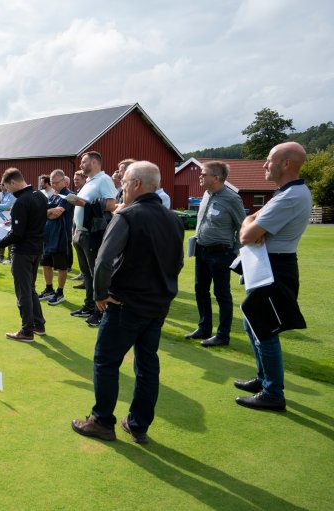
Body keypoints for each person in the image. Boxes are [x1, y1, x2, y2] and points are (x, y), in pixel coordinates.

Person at [71, 161, 184, 444]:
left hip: (125, 303)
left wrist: (99, 294)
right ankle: (138, 424)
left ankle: (101, 421)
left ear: (135, 184)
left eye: (124, 183)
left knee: (106, 361)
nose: (121, 188)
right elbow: (178, 262)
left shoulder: (128, 216)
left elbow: (104, 260)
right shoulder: (173, 218)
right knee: (147, 364)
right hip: (158, 304)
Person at [234, 142, 312, 412]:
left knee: (265, 329)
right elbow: (252, 221)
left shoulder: (291, 197)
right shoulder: (286, 193)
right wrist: (252, 223)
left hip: (275, 269)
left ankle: (273, 393)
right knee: (252, 323)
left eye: (269, 160)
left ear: (286, 163)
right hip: (267, 265)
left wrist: (250, 226)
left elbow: (246, 235)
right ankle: (263, 378)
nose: (265, 165)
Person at [185, 161, 245, 347]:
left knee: (221, 294)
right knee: (200, 290)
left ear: (216, 178)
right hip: (201, 250)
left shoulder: (232, 199)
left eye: (204, 174)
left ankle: (223, 335)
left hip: (221, 254)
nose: (200, 177)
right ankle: (204, 327)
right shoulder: (206, 194)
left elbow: (243, 228)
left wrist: (233, 251)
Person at [0, 168, 48, 342]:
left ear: (13, 182)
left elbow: (17, 235)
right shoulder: (40, 195)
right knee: (30, 289)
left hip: (23, 251)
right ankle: (39, 324)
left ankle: (26, 331)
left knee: (23, 292)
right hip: (37, 249)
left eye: (7, 186)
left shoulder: (21, 201)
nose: (7, 191)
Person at [69, 151, 118, 327]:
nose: (81, 165)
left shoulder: (104, 180)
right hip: (81, 233)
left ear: (95, 163)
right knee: (87, 274)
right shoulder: (89, 182)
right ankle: (89, 306)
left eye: (84, 162)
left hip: (93, 234)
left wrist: (84, 204)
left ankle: (100, 311)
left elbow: (111, 204)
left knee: (96, 273)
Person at [37, 169, 74, 306]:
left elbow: (57, 214)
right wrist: (48, 212)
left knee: (61, 267)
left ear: (64, 181)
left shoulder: (69, 196)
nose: (54, 185)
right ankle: (49, 288)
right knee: (46, 264)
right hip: (48, 236)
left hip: (61, 237)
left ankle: (60, 292)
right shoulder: (54, 196)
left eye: (56, 182)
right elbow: (46, 213)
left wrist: (48, 212)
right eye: (52, 183)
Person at [0, 181, 15, 263]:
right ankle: (0, 257)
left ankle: (9, 258)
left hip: (9, 219)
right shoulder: (1, 195)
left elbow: (7, 206)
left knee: (9, 238)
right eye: (0, 184)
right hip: (1, 219)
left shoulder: (11, 195)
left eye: (2, 185)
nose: (1, 186)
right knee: (1, 237)